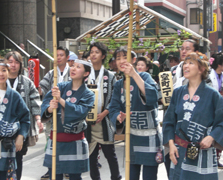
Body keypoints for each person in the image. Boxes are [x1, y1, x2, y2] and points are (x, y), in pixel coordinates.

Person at [163, 52, 223, 180]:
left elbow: (221, 121)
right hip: (179, 151)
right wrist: (171, 145)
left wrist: (212, 137)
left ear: (201, 69)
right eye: (185, 63)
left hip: (203, 152)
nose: (186, 66)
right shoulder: (178, 93)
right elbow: (169, 121)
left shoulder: (213, 95)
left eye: (191, 63)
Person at [109, 47, 162, 180]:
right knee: (131, 175)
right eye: (118, 58)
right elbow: (113, 107)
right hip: (131, 136)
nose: (121, 61)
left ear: (133, 60)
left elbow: (153, 97)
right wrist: (118, 117)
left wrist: (134, 74)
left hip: (149, 135)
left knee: (149, 176)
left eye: (124, 57)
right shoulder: (118, 85)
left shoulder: (144, 76)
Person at [41, 59, 95, 180]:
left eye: (78, 67)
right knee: (54, 176)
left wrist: (61, 101)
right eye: (73, 66)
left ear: (86, 73)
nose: (73, 68)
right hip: (56, 140)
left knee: (75, 177)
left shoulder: (88, 94)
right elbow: (45, 104)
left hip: (75, 142)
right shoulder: (60, 87)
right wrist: (50, 109)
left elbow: (81, 112)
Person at [5, 51, 43, 180]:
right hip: (2, 126)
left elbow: (34, 101)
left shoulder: (26, 82)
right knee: (2, 158)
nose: (13, 65)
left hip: (21, 126)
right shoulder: (0, 80)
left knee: (18, 157)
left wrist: (38, 119)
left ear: (21, 65)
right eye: (10, 62)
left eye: (16, 62)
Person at [86, 42, 121, 180]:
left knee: (110, 154)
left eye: (96, 52)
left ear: (103, 56)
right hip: (89, 120)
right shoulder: (85, 73)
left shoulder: (110, 76)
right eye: (92, 52)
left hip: (105, 120)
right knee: (91, 156)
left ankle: (116, 177)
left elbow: (114, 98)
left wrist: (105, 112)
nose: (93, 54)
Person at [39, 46, 71, 180]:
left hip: (68, 112)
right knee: (50, 141)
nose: (58, 57)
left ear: (67, 57)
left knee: (68, 141)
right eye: (56, 55)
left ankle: (68, 168)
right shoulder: (51, 73)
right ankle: (51, 168)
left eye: (61, 55)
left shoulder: (73, 72)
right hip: (53, 113)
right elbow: (42, 88)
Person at [209, 52, 223, 169]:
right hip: (212, 108)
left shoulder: (221, 75)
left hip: (221, 108)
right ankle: (213, 158)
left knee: (220, 134)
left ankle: (217, 158)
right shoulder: (209, 75)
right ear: (220, 64)